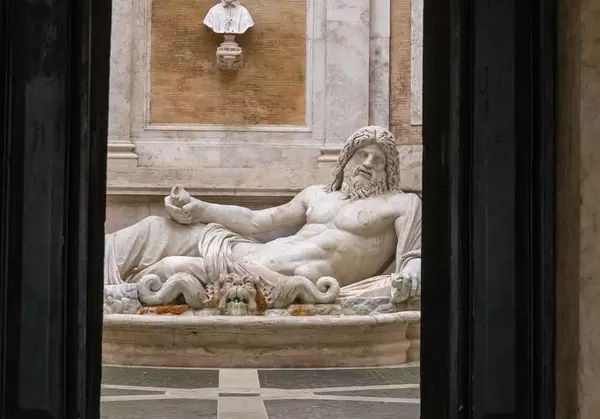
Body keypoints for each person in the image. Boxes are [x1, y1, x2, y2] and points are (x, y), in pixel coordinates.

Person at [104, 126, 421, 302]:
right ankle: (94, 271)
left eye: (377, 159)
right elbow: (257, 221)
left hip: (282, 279)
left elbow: (414, 257)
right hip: (250, 252)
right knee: (155, 228)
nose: (367, 163)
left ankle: (122, 294)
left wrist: (411, 277)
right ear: (347, 159)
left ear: (388, 168)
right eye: (361, 154)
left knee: (173, 265)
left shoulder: (401, 204)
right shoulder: (317, 195)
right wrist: (200, 208)